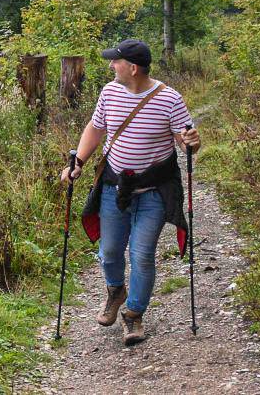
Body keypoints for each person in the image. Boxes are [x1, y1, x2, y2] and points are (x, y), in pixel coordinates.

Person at [60, 39, 201, 346]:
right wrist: (78, 162)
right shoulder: (109, 92)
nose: (111, 65)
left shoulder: (169, 99)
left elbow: (185, 141)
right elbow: (96, 129)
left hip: (152, 192)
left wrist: (192, 141)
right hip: (114, 188)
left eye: (116, 62)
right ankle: (115, 290)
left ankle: (134, 315)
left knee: (142, 254)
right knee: (109, 251)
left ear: (133, 68)